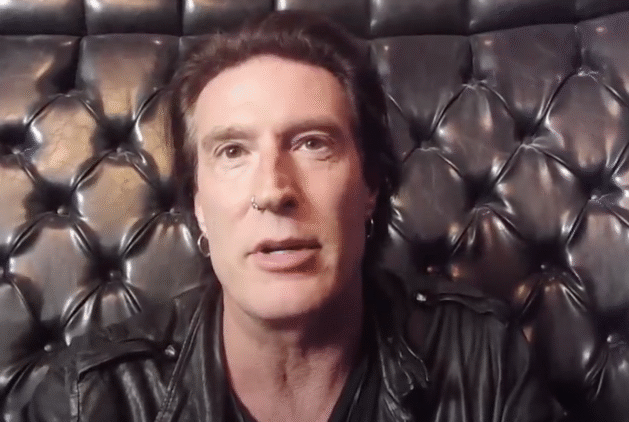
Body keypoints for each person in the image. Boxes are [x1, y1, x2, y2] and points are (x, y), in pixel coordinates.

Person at [29, 11, 555, 422]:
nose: (274, 191)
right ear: (199, 205)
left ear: (370, 186)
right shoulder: (89, 397)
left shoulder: (486, 359)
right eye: (233, 152)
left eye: (312, 143)